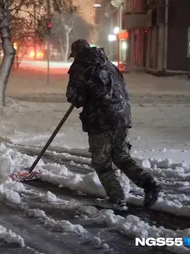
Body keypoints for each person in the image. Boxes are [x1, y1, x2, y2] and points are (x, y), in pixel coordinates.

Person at [66, 39, 161, 210]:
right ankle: (149, 184)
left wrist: (80, 95)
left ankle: (117, 199)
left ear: (77, 54)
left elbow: (75, 98)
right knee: (121, 156)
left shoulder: (80, 67)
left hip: (100, 120)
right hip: (122, 116)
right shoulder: (108, 64)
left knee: (101, 163)